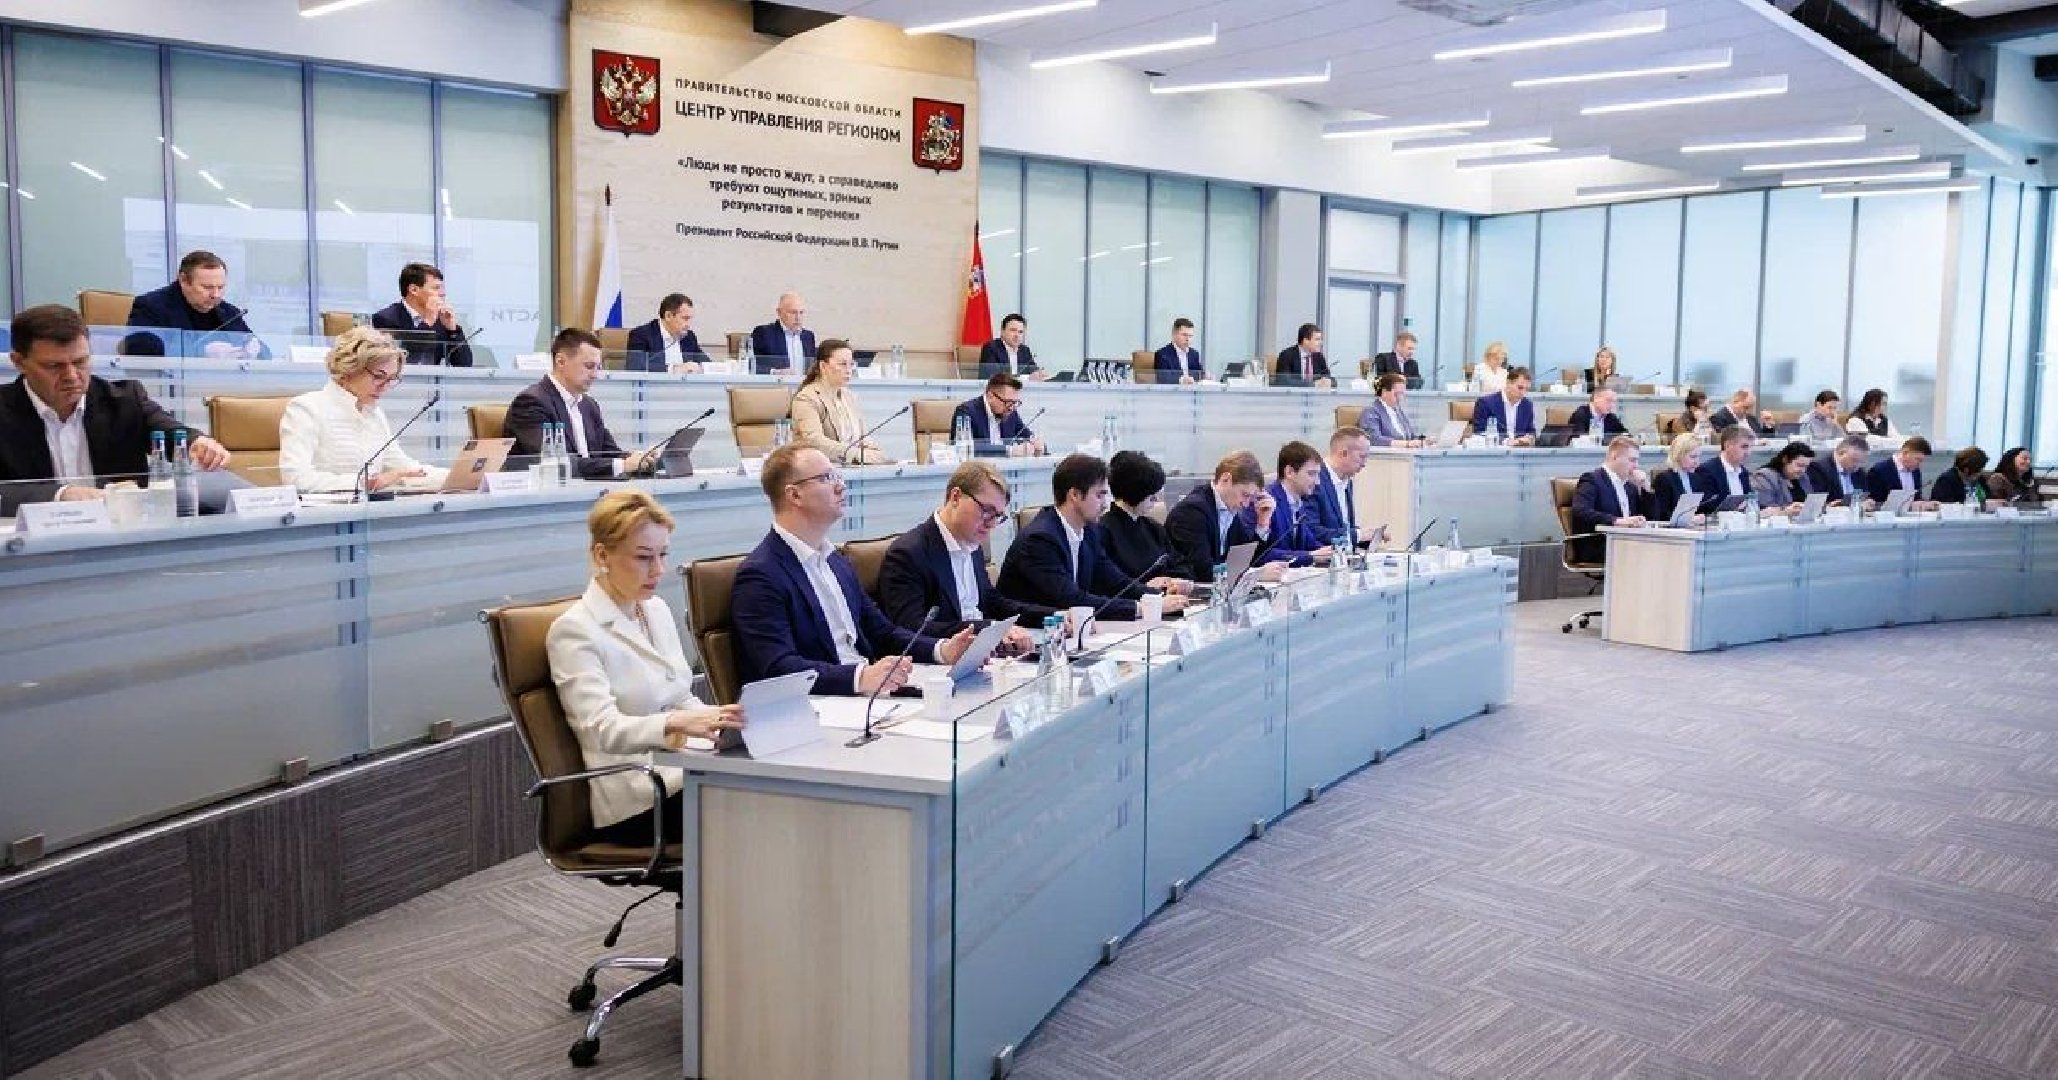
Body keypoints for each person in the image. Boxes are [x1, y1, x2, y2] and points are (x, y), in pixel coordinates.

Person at [545, 489, 744, 842]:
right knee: (761, 807)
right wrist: (675, 722)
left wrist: (721, 719)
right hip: (639, 797)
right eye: (643, 557)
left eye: (662, 555)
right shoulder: (574, 630)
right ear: (602, 555)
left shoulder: (655, 609)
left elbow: (680, 697)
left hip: (684, 770)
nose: (658, 570)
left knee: (773, 788)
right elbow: (602, 730)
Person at [731, 444, 976, 697]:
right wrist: (860, 677)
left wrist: (942, 650)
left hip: (863, 696)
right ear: (795, 495)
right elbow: (778, 668)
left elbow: (883, 633)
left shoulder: (836, 561)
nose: (841, 486)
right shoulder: (761, 575)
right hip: (820, 703)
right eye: (826, 478)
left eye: (838, 476)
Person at [1, 304, 231, 514]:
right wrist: (61, 495)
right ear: (19, 362)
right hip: (31, 539)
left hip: (121, 535)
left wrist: (197, 443)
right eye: (54, 366)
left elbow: (170, 431)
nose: (71, 376)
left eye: (80, 362)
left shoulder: (124, 399)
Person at [876, 460, 1052, 646]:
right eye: (987, 511)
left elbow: (992, 602)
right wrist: (987, 628)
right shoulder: (908, 554)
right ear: (955, 497)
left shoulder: (972, 543)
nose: (991, 524)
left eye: (998, 516)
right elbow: (911, 628)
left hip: (985, 652)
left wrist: (1053, 616)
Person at [996, 454, 1188, 621]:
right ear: (1074, 494)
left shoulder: (1089, 531)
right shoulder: (1040, 539)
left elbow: (1116, 582)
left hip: (1071, 630)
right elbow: (1073, 599)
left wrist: (1159, 595)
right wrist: (1143, 608)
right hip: (1029, 634)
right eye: (1100, 495)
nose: (1105, 504)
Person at [279, 327, 448, 494]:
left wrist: (454, 476)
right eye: (379, 376)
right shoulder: (306, 408)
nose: (385, 387)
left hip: (368, 509)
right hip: (324, 510)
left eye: (391, 379)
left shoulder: (374, 414)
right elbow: (295, 478)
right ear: (349, 368)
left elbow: (406, 469)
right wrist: (364, 483)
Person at [506, 328, 661, 479]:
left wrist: (639, 459)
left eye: (598, 367)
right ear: (561, 361)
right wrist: (623, 465)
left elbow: (609, 453)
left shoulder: (589, 405)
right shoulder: (531, 403)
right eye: (589, 366)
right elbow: (557, 463)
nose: (595, 375)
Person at [123, 250, 266, 359]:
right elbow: (138, 348)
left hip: (222, 386)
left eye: (221, 287)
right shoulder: (151, 306)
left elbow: (266, 354)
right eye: (207, 287)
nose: (215, 295)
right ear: (184, 280)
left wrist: (255, 351)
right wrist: (201, 352)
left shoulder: (229, 313)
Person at [1164, 451, 1279, 584]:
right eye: (1245, 495)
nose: (1246, 504)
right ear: (1226, 479)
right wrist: (1256, 575)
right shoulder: (1192, 511)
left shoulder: (1229, 508)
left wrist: (1263, 523)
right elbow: (1202, 571)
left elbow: (1246, 559)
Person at [1097, 450, 1199, 593]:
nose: (1156, 500)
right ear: (1135, 493)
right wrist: (1146, 586)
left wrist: (1172, 580)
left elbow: (1182, 566)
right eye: (1151, 496)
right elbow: (1109, 583)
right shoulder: (1103, 532)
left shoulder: (1154, 528)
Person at [790, 339, 886, 466]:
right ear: (823, 366)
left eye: (851, 364)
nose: (848, 370)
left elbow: (864, 437)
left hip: (852, 467)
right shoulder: (807, 398)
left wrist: (876, 453)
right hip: (818, 468)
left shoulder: (850, 397)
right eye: (842, 364)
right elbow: (814, 441)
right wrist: (855, 454)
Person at [1243, 441, 1335, 567]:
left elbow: (1310, 543)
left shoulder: (1298, 503)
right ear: (1289, 472)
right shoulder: (1264, 501)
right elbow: (1260, 554)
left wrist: (1332, 552)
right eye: (1311, 474)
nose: (1317, 482)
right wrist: (1310, 556)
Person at [369, 262, 474, 367]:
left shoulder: (441, 320)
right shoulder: (386, 318)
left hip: (432, 377)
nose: (442, 293)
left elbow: (464, 365)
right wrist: (427, 322)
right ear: (413, 290)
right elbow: (407, 359)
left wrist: (452, 329)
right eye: (436, 288)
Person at [1569, 436, 1652, 561]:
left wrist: (1646, 489)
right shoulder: (1592, 479)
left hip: (1628, 542)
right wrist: (1616, 521)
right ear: (1614, 457)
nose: (1636, 466)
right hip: (1600, 544)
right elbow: (1580, 511)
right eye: (1632, 460)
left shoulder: (1630, 486)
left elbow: (1651, 517)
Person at [1310, 426, 1378, 546]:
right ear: (1343, 453)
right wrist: (1358, 535)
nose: (1364, 464)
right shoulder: (1314, 480)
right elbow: (1313, 532)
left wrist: (1369, 537)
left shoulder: (1347, 480)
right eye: (1362, 457)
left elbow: (1343, 529)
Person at [951, 372, 1042, 453]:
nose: (1012, 407)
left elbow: (1026, 435)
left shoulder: (1010, 411)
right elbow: (965, 448)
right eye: (1008, 402)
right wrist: (1009, 450)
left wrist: (1035, 443)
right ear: (990, 396)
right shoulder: (966, 411)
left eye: (1015, 403)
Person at [623, 292, 704, 373]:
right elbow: (634, 367)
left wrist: (703, 367)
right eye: (685, 318)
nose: (688, 324)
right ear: (668, 316)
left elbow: (705, 362)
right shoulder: (641, 335)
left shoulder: (689, 336)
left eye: (690, 319)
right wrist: (674, 369)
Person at [746, 291, 814, 376]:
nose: (798, 317)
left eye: (801, 312)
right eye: (793, 312)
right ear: (779, 312)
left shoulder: (808, 336)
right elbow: (748, 365)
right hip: (776, 383)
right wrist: (775, 372)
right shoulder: (764, 333)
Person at [1470, 366, 1538, 445]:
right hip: (1496, 449)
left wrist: (1529, 438)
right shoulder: (1486, 403)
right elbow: (1479, 433)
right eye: (1520, 388)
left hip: (1520, 449)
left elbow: (1531, 431)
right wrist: (1506, 442)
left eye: (1527, 389)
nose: (1523, 393)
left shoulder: (1527, 405)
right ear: (1508, 383)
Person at [1863, 436, 1936, 508]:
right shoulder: (1879, 471)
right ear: (1905, 453)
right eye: (1918, 459)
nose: (1919, 464)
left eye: (1921, 461)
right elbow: (1873, 502)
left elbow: (1916, 497)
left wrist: (1924, 504)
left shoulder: (1915, 471)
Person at [1360, 373, 1427, 447]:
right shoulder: (1371, 411)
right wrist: (1406, 444)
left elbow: (1410, 436)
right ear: (1384, 392)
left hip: (1404, 452)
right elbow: (1374, 439)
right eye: (1397, 394)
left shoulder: (1398, 411)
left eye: (1402, 394)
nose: (1400, 398)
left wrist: (1424, 440)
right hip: (1386, 453)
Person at [1807, 435, 1873, 508]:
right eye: (1854, 460)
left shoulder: (1859, 472)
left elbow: (1863, 495)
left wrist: (1867, 501)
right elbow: (1816, 503)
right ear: (1841, 453)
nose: (1857, 465)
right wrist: (1829, 506)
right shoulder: (1818, 469)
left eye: (1861, 462)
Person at [1650, 433, 1708, 517]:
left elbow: (1700, 509)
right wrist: (1688, 518)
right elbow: (1662, 514)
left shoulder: (1696, 478)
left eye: (1698, 457)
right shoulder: (1664, 479)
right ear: (1679, 456)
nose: (1697, 462)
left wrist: (1700, 516)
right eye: (1693, 457)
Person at [1750, 441, 1816, 513]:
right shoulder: (1764, 477)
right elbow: (1764, 507)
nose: (1803, 470)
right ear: (1785, 459)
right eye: (1799, 465)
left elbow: (1810, 502)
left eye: (1806, 467)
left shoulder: (1803, 477)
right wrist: (1786, 510)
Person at [1692, 425, 1753, 503]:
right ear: (1727, 446)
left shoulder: (1744, 472)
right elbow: (1706, 505)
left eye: (1750, 447)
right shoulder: (1707, 471)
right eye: (1744, 447)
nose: (1748, 452)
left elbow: (1749, 501)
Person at [978, 313, 1042, 379]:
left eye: (1020, 332)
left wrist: (1039, 374)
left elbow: (1034, 372)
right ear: (1002, 331)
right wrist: (1027, 378)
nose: (1017, 335)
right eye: (1013, 330)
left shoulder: (1025, 350)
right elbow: (994, 377)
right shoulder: (991, 348)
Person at [1273, 323, 1333, 388]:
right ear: (1306, 340)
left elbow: (1331, 379)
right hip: (1294, 394)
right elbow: (1283, 381)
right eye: (1317, 339)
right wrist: (1312, 384)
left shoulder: (1319, 357)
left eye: (1320, 339)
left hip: (1315, 394)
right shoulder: (1287, 355)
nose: (1321, 343)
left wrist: (1329, 382)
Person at [1153, 317, 1204, 385]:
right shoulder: (1162, 354)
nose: (1188, 339)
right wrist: (1182, 380)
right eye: (1184, 335)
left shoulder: (1194, 354)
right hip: (1173, 391)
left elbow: (1199, 374)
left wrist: (1205, 377)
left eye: (1190, 336)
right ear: (1174, 334)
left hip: (1193, 390)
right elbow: (1163, 379)